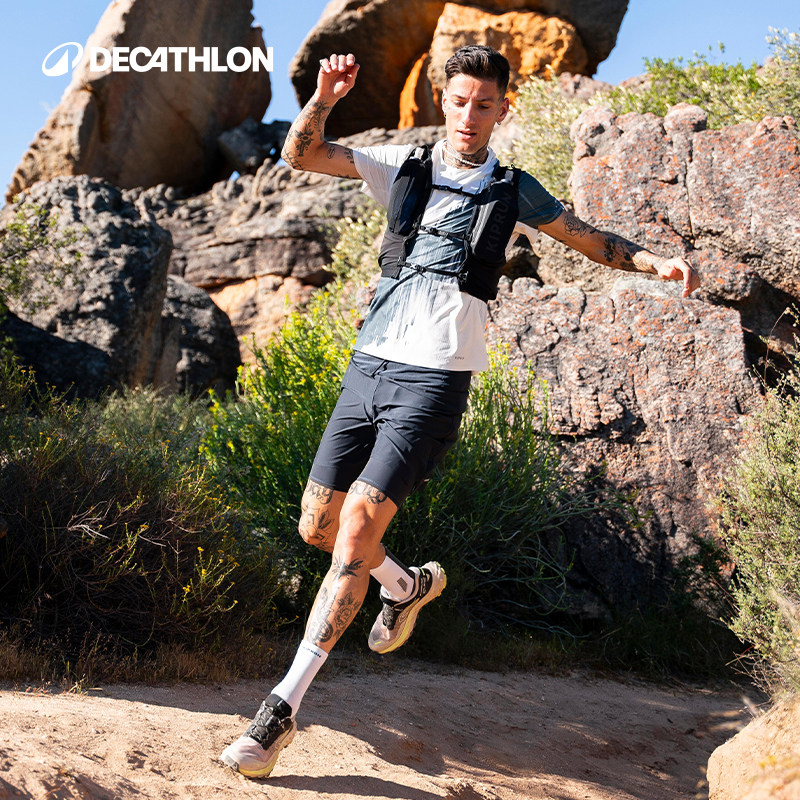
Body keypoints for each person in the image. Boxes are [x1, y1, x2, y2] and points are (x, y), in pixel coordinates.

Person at [220, 46, 701, 778]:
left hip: (435, 380)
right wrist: (324, 98)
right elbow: (302, 154)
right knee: (317, 527)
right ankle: (405, 585)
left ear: (504, 109)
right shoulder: (402, 166)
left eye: (485, 104)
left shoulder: (513, 189)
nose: (470, 115)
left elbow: (589, 239)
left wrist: (655, 262)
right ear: (441, 100)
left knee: (356, 528)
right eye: (459, 101)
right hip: (369, 367)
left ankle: (279, 713)